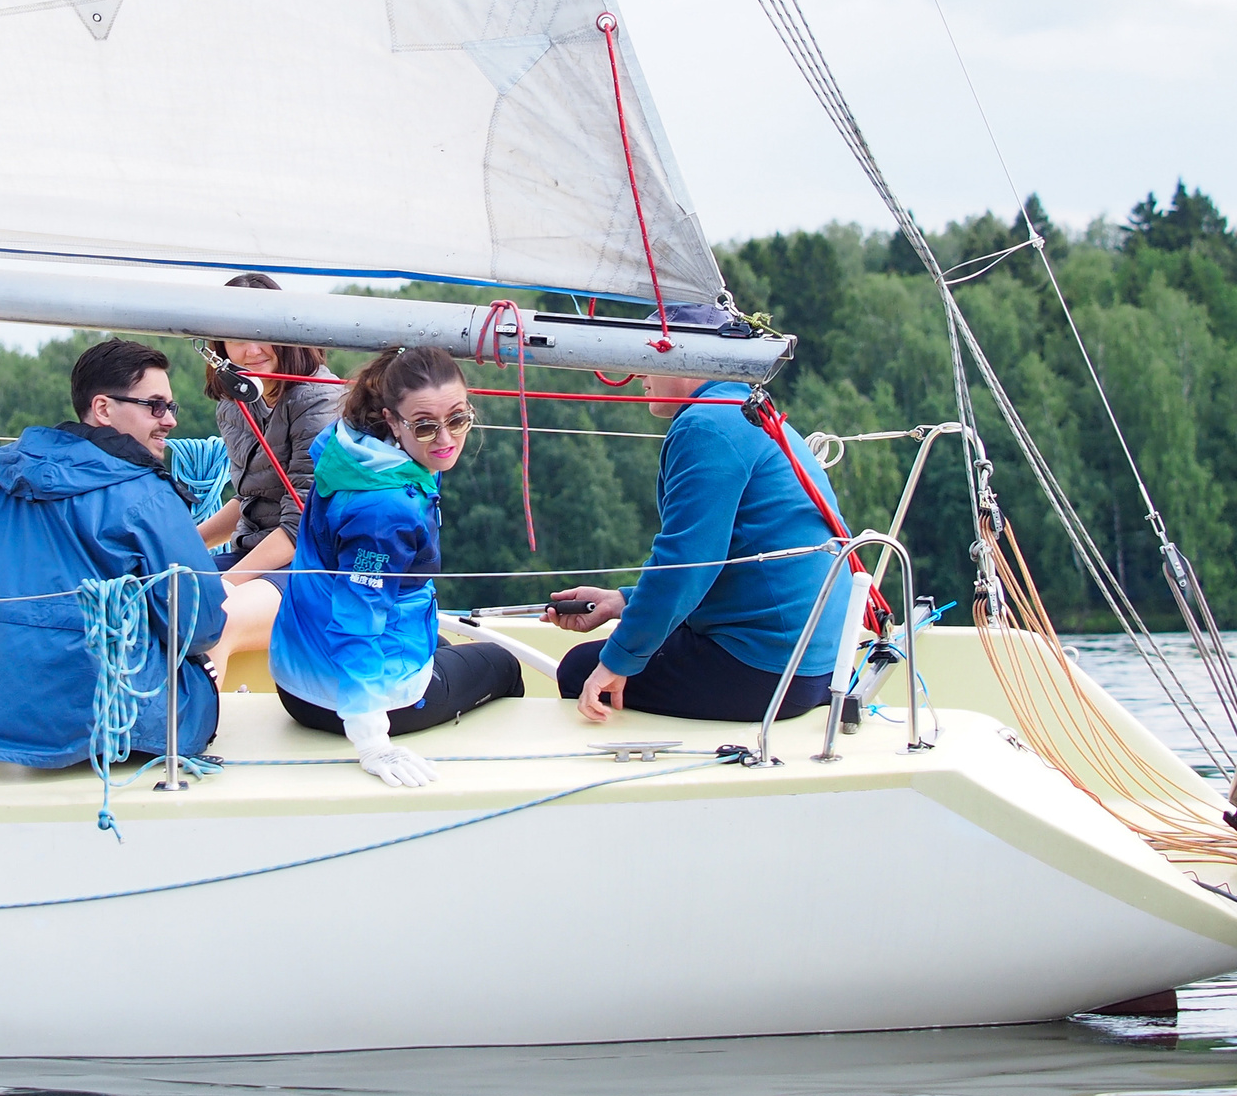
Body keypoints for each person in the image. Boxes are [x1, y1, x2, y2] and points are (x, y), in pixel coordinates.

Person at [0, 338, 227, 767]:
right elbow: (198, 625)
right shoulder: (148, 495)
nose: (170, 420)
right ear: (103, 409)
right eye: (156, 406)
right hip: (120, 728)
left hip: (0, 714)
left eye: (171, 407)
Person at [546, 304, 853, 724]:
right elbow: (721, 563)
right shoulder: (742, 408)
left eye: (647, 356)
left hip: (770, 672)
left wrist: (617, 663)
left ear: (683, 357)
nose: (638, 374)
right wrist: (621, 602)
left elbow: (685, 563)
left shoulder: (706, 426)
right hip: (820, 665)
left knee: (581, 670)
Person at [275, 344, 525, 787]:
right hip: (336, 702)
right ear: (391, 419)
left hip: (299, 674)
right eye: (426, 426)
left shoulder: (359, 451)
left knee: (443, 646)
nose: (446, 440)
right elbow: (356, 624)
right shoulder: (385, 511)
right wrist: (373, 743)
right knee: (502, 664)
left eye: (459, 419)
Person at [195, 272, 345, 682]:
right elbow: (249, 500)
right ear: (219, 345)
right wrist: (185, 545)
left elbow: (301, 522)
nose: (251, 348)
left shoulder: (319, 399)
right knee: (157, 595)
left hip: (312, 567)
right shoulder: (234, 404)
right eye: (236, 336)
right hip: (254, 554)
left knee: (212, 619)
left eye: (262, 331)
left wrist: (225, 584)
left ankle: (198, 741)